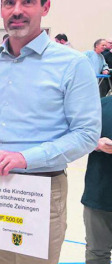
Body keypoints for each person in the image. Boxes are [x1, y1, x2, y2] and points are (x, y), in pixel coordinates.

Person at [0, 0, 101, 263]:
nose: (17, 10)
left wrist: (26, 157)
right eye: (9, 3)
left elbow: (87, 133)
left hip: (38, 190)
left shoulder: (73, 63)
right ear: (1, 9)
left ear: (45, 8)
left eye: (28, 2)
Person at [82, 96, 112, 264]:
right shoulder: (99, 106)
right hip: (98, 196)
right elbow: (78, 137)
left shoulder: (99, 105)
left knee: (97, 254)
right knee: (97, 254)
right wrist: (94, 143)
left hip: (97, 194)